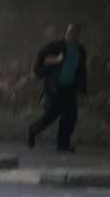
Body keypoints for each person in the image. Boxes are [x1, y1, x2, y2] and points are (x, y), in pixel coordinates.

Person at [27, 23, 88, 151]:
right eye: (69, 32)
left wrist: (82, 90)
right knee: (50, 115)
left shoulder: (80, 51)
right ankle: (33, 130)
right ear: (66, 33)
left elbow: (81, 71)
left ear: (78, 35)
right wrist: (47, 69)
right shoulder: (57, 46)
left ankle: (63, 144)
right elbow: (41, 57)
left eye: (75, 33)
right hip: (55, 87)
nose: (71, 35)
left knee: (70, 117)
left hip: (70, 87)